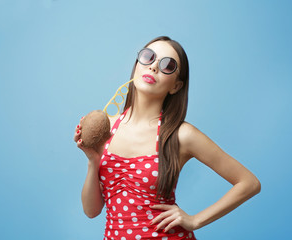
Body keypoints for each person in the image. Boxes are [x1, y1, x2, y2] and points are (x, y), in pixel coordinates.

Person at [73, 36, 261, 240]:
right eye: (148, 57)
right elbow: (91, 211)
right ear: (136, 65)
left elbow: (249, 183)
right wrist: (93, 160)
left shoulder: (181, 135)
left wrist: (195, 220)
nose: (153, 66)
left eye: (167, 65)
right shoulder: (106, 128)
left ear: (176, 86)